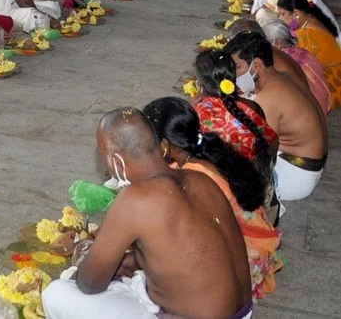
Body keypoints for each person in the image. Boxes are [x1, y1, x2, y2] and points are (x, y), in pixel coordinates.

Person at [41, 108, 253, 319]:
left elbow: (90, 283)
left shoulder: (136, 199)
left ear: (116, 160)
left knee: (56, 294)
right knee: (131, 279)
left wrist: (83, 251)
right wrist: (131, 261)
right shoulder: (200, 178)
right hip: (243, 313)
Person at [142, 97, 281, 299]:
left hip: (244, 265)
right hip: (257, 245)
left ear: (164, 146)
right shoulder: (206, 150)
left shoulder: (192, 176)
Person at [225, 32, 327, 201]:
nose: (233, 75)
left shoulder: (269, 97)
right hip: (307, 166)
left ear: (256, 64)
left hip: (295, 177)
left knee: (223, 169)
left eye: (237, 67)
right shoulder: (284, 76)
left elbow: (254, 149)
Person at [194, 50, 279, 170]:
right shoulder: (252, 106)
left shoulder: (197, 113)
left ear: (199, 85)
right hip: (257, 176)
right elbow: (271, 147)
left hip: (219, 179)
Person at [278, 0, 341, 110]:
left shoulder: (306, 34)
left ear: (296, 13)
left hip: (332, 85)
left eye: (282, 14)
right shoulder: (311, 20)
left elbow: (300, 67)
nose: (280, 18)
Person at [259, 19, 331, 115]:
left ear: (278, 42)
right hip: (322, 105)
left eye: (267, 42)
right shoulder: (304, 51)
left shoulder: (280, 60)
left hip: (307, 111)